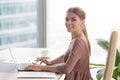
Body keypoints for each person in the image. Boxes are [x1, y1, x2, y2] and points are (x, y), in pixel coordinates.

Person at [25, 7, 93, 80]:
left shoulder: (78, 41)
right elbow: (68, 55)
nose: (68, 22)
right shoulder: (77, 36)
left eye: (73, 19)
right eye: (67, 19)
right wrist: (50, 62)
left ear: (82, 22)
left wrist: (41, 67)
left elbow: (66, 69)